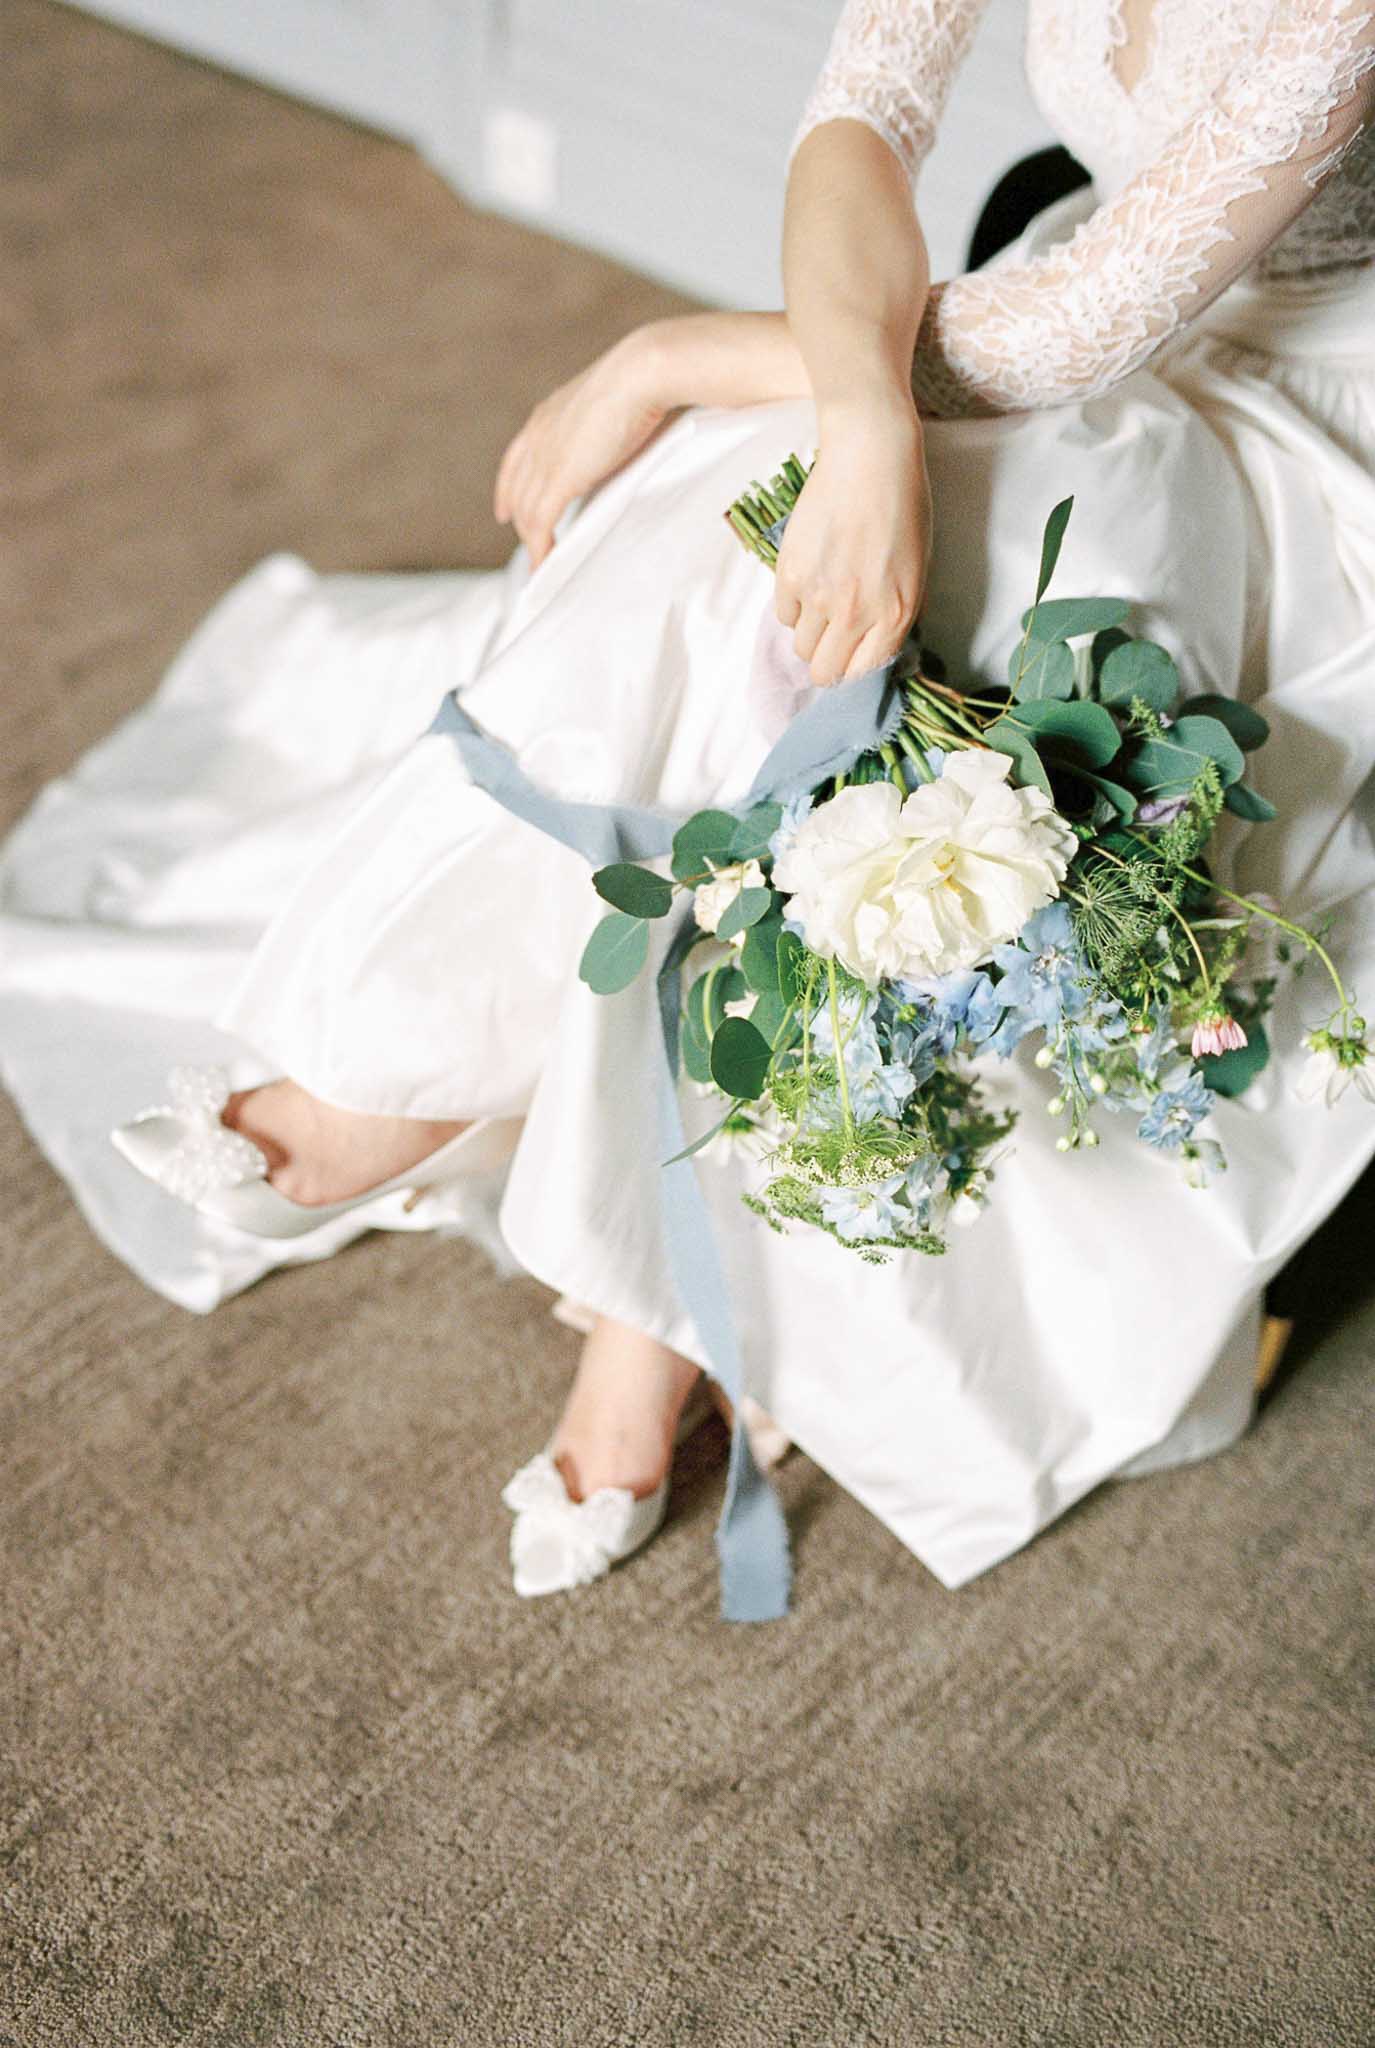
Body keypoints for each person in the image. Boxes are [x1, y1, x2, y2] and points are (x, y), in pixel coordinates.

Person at [3, 1, 1374, 1609]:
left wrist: (663, 354)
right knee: (767, 513)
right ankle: (597, 1241)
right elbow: (864, 111)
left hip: (1308, 413)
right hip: (1085, 335)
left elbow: (1071, 336)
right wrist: (854, 417)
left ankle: (534, 1173)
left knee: (979, 570)